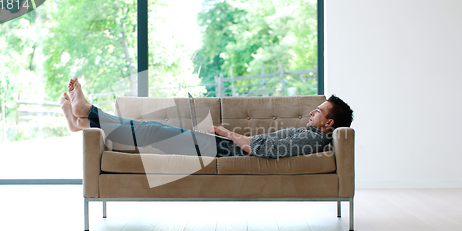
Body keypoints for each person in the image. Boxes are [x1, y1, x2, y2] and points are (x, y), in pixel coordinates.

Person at [60, 76, 353, 158]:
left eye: (320, 109)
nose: (313, 110)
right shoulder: (314, 136)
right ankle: (84, 121)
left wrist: (228, 134)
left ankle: (87, 115)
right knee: (152, 129)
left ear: (330, 123)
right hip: (221, 147)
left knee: (151, 132)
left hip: (223, 150)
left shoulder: (313, 140)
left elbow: (264, 148)